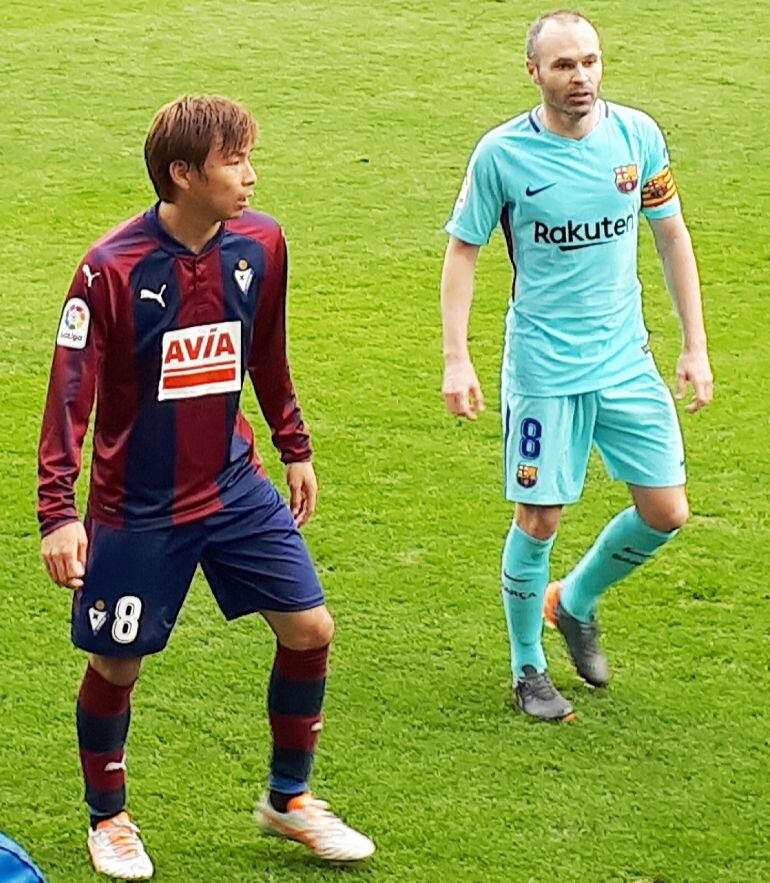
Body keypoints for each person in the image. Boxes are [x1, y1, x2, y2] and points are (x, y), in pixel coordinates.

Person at [38, 95, 375, 880]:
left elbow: (267, 351)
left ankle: (288, 801)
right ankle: (108, 818)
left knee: (310, 629)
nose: (251, 177)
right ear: (183, 174)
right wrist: (59, 512)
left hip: (232, 482)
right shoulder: (109, 269)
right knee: (117, 666)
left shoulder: (262, 243)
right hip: (139, 505)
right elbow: (68, 395)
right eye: (235, 162)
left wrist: (294, 445)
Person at [440, 11, 713, 721]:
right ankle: (528, 666)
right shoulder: (502, 155)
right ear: (533, 71)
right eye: (564, 65)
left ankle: (574, 600)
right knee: (539, 516)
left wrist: (695, 344)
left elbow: (672, 237)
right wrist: (457, 357)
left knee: (666, 510)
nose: (582, 76)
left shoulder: (637, 137)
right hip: (544, 370)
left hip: (625, 359)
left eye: (590, 61)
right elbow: (463, 252)